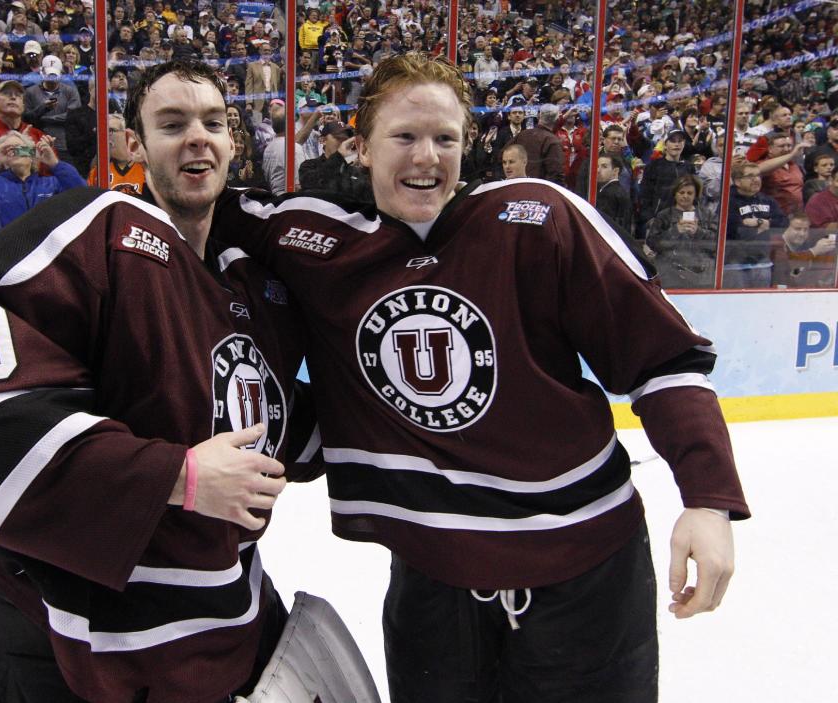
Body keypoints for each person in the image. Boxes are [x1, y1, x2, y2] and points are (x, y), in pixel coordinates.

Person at [220, 52, 749, 703]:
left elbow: (663, 359)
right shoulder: (315, 240)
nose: (426, 157)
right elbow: (193, 205)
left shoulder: (539, 218)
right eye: (405, 136)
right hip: (432, 590)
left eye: (446, 138)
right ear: (359, 147)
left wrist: (708, 498)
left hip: (586, 581)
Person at [0, 59, 312, 703]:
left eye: (213, 122)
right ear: (134, 144)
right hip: (53, 652)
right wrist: (176, 478)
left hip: (217, 642)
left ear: (233, 142)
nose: (196, 137)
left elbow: (290, 424)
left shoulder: (255, 283)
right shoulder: (88, 231)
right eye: (171, 122)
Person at [0, 130, 85, 254]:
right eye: (8, 150)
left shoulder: (51, 184)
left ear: (32, 155)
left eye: (22, 148)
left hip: (40, 259)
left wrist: (55, 164)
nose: (16, 152)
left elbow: (83, 197)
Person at [645, 174, 719, 289]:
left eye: (689, 193)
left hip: (701, 274)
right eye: (681, 192)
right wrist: (675, 231)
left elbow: (717, 243)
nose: (685, 196)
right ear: (675, 194)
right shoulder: (663, 215)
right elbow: (653, 243)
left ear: (695, 195)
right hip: (669, 274)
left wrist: (698, 232)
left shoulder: (707, 215)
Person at [725, 161, 788, 288]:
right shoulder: (728, 201)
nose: (756, 180)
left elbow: (783, 222)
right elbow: (731, 227)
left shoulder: (767, 200)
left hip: (762, 262)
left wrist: (765, 223)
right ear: (737, 181)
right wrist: (756, 225)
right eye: (750, 176)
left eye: (758, 176)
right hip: (735, 263)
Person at [770, 210, 838, 287]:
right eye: (797, 229)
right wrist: (814, 251)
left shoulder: (805, 245)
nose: (802, 234)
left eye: (805, 230)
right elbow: (789, 270)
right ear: (786, 228)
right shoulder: (776, 243)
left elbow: (798, 274)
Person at [509, 103, 565, 185]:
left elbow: (501, 156)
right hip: (540, 191)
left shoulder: (522, 135)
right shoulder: (553, 141)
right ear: (557, 120)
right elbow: (556, 174)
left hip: (518, 187)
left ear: (538, 116)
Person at [594, 151, 633, 238]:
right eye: (597, 166)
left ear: (615, 171)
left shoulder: (608, 194)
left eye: (604, 167)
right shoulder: (619, 191)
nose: (598, 170)